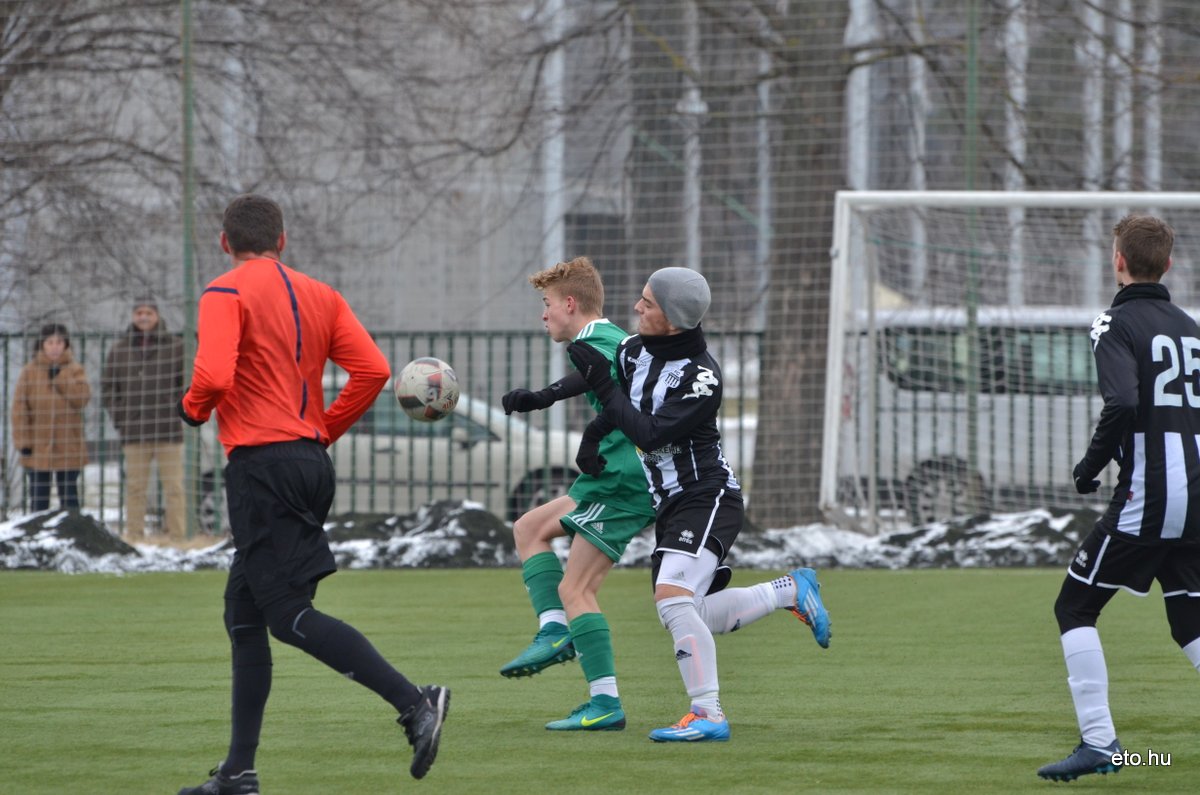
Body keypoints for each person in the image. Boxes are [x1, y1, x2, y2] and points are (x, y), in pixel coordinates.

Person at [176, 194, 449, 795]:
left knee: (286, 615)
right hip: (308, 460)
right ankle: (238, 772)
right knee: (243, 613)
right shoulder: (321, 294)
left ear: (225, 242)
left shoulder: (224, 291)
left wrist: (193, 408)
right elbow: (373, 370)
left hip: (262, 466)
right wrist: (323, 430)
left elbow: (214, 376)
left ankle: (415, 702)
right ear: (282, 240)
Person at [566, 266, 832, 742]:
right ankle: (788, 591)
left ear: (671, 319)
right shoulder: (634, 350)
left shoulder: (701, 378)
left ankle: (708, 713)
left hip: (707, 496)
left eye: (648, 302)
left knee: (673, 599)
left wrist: (603, 387)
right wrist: (553, 409)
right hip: (670, 502)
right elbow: (620, 400)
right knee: (693, 611)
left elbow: (650, 431)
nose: (636, 307)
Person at [1037, 215, 1200, 782]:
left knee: (1074, 607)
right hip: (1196, 497)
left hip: (1151, 499)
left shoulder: (1114, 322)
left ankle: (1100, 742)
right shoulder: (1190, 327)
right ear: (1169, 264)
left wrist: (1089, 469)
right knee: (1190, 621)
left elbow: (1124, 402)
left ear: (1118, 261)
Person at [498, 256, 656, 732]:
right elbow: (602, 375)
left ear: (570, 303)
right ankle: (553, 630)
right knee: (529, 528)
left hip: (621, 479)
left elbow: (606, 379)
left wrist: (557, 408)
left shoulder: (596, 342)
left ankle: (605, 703)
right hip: (608, 476)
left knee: (576, 589)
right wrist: (544, 397)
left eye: (547, 303)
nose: (543, 314)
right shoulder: (603, 338)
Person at [102, 297, 187, 542]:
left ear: (157, 316)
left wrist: (177, 411)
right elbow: (108, 388)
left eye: (148, 312)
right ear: (133, 316)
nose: (144, 317)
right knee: (135, 488)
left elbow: (186, 383)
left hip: (168, 429)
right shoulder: (119, 349)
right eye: (139, 312)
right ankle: (135, 538)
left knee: (174, 488)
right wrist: (121, 417)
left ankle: (178, 539)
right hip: (134, 430)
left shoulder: (176, 347)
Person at [11, 323, 91, 512]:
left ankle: (72, 529)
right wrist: (23, 442)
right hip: (37, 445)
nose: (55, 347)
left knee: (69, 497)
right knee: (39, 498)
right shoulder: (29, 372)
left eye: (59, 342)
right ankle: (37, 529)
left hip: (68, 444)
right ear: (42, 345)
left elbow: (82, 398)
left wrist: (61, 379)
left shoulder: (75, 370)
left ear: (66, 345)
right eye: (50, 342)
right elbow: (19, 409)